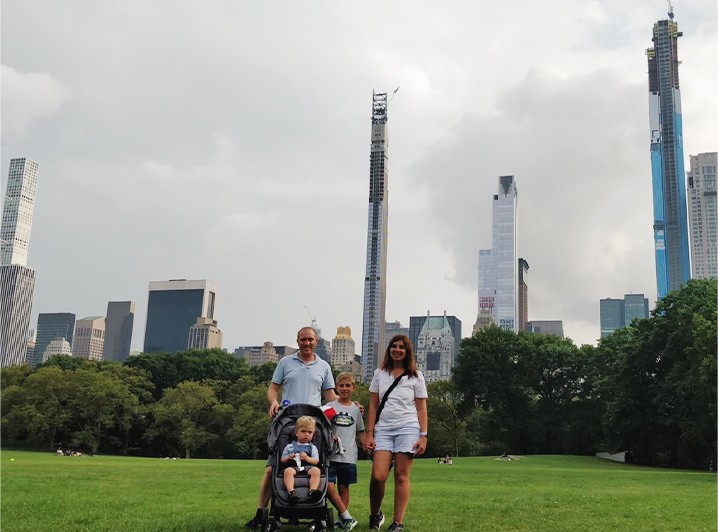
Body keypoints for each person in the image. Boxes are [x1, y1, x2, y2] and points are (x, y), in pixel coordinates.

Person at [245, 326, 338, 529]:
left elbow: (330, 396)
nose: (307, 343)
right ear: (298, 341)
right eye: (303, 339)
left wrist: (349, 406)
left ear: (316, 341)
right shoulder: (285, 362)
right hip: (286, 422)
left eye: (310, 340)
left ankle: (307, 507)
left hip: (312, 425)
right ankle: (260, 513)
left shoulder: (323, 366)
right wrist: (273, 402)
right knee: (272, 470)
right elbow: (273, 388)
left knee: (315, 467)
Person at [365, 335, 428, 532]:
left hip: (408, 427)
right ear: (389, 350)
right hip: (383, 428)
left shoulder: (416, 376)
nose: (397, 350)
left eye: (401, 347)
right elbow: (373, 406)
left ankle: (397, 523)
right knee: (378, 476)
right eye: (394, 346)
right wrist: (369, 433)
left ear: (407, 351)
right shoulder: (379, 373)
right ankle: (376, 514)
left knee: (401, 474)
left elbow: (421, 409)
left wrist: (423, 435)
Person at [324, 372, 368, 530]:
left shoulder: (356, 410)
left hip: (349, 455)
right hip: (330, 454)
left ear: (353, 388)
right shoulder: (329, 407)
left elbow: (361, 431)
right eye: (341, 385)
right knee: (329, 487)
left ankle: (341, 519)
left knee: (344, 487)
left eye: (347, 385)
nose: (344, 388)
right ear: (336, 387)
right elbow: (323, 429)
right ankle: (347, 516)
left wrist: (367, 446)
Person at [280, 415, 322, 504]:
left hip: (308, 467)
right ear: (296, 433)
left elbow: (315, 461)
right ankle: (292, 492)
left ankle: (312, 492)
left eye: (309, 432)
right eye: (303, 431)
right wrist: (288, 457)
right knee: (287, 471)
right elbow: (282, 460)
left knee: (316, 471)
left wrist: (307, 458)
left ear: (313, 434)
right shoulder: (290, 446)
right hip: (293, 466)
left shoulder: (312, 447)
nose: (306, 434)